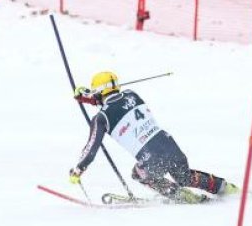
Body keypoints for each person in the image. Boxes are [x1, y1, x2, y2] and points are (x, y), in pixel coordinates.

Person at [70, 72, 239, 204]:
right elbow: (111, 102)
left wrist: (78, 169)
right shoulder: (131, 94)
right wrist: (87, 96)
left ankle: (181, 196)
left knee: (139, 174)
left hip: (150, 155)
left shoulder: (100, 119)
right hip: (168, 143)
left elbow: (91, 148)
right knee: (184, 176)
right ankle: (224, 187)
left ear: (98, 92)